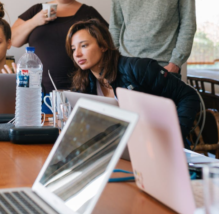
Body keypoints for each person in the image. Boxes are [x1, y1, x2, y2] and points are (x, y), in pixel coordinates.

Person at [66, 19, 201, 142]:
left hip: (156, 146)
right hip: (121, 148)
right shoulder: (84, 83)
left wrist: (174, 135)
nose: (77, 54)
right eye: (73, 49)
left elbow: (189, 95)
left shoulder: (139, 69)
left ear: (103, 46)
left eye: (84, 46)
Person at [11, 0, 107, 95]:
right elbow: (13, 40)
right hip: (36, 91)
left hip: (80, 89)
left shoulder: (87, 13)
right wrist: (35, 21)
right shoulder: (37, 10)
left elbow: (108, 44)